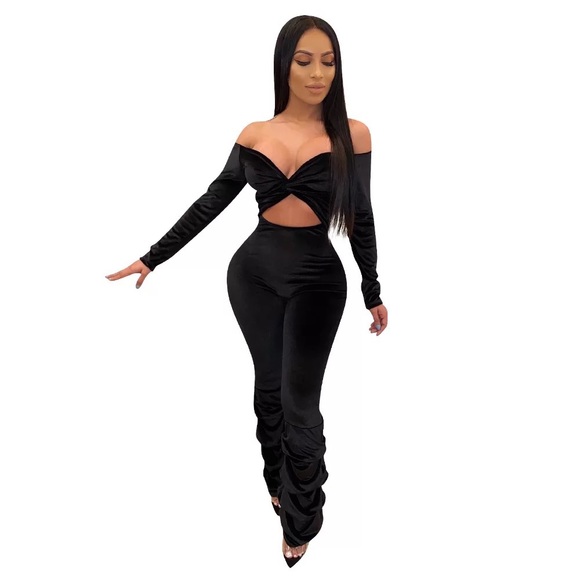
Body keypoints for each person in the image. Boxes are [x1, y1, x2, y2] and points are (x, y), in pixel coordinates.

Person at [105, 14, 388, 567]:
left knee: (301, 402)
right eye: (304, 61)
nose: (317, 74)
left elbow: (362, 215)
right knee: (269, 388)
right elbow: (212, 201)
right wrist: (154, 257)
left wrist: (371, 290)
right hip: (252, 275)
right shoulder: (255, 133)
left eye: (328, 62)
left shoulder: (353, 134)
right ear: (284, 65)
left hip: (318, 279)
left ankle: (300, 519)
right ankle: (278, 482)